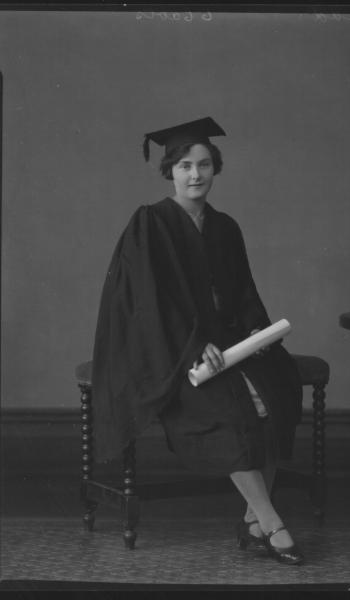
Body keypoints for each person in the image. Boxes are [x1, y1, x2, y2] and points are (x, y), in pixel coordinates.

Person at [92, 117, 304, 565]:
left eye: (204, 164)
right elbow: (147, 305)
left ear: (215, 169)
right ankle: (268, 520)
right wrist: (192, 347)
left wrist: (256, 332)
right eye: (185, 165)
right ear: (169, 170)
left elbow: (244, 292)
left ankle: (252, 521)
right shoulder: (149, 224)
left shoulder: (226, 227)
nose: (195, 174)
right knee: (230, 407)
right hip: (171, 350)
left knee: (276, 388)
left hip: (228, 344)